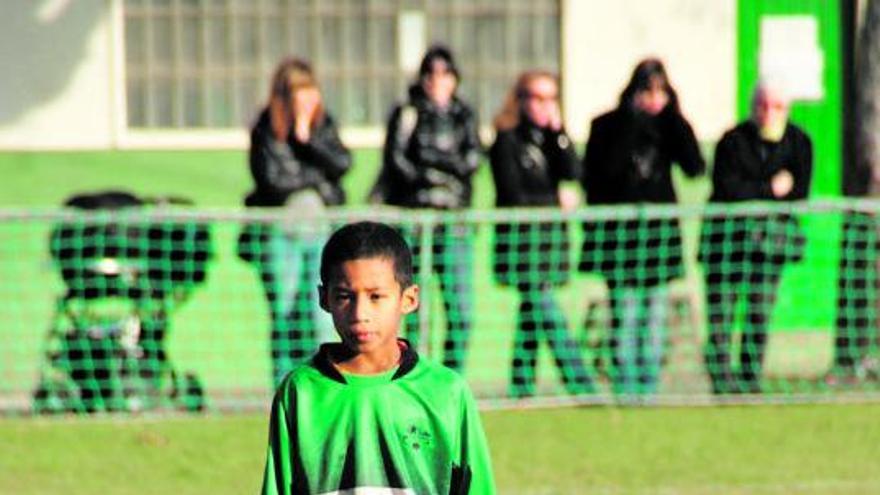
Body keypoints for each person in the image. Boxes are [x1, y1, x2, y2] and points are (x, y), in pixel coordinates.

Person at [260, 221, 496, 495]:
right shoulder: (300, 391)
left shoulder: (447, 392)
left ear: (408, 299)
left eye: (376, 297)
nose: (360, 313)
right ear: (325, 299)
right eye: (345, 296)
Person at [579, 58, 705, 397]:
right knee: (625, 318)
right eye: (646, 90)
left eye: (659, 91)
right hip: (621, 243)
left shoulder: (670, 127)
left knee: (653, 322)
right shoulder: (607, 126)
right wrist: (632, 123)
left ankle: (647, 393)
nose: (652, 98)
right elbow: (602, 172)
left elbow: (695, 166)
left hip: (658, 242)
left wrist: (672, 116)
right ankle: (626, 391)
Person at [241, 57, 352, 386]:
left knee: (320, 315)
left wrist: (308, 139)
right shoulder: (267, 129)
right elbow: (272, 178)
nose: (306, 101)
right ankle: (283, 386)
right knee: (284, 312)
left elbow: (343, 162)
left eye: (310, 92)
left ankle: (317, 383)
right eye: (298, 94)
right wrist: (314, 179)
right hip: (283, 234)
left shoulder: (322, 126)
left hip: (319, 233)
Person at [372, 44, 482, 372]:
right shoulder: (408, 113)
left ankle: (451, 377)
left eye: (445, 73)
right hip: (415, 224)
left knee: (462, 312)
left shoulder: (464, 116)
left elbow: (474, 158)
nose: (437, 81)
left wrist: (442, 165)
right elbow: (396, 159)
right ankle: (413, 374)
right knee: (414, 310)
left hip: (454, 222)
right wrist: (428, 174)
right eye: (430, 74)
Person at [700, 79, 813, 394]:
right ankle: (721, 382)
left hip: (768, 249)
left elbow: (798, 191)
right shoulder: (732, 142)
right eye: (763, 105)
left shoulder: (799, 143)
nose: (768, 112)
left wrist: (762, 193)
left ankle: (750, 381)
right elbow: (728, 188)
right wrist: (768, 190)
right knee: (721, 318)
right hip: (725, 246)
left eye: (776, 106)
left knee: (759, 314)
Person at [489, 70, 593, 398]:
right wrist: (555, 199)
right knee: (545, 307)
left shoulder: (553, 139)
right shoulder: (506, 141)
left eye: (550, 98)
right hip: (522, 245)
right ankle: (581, 384)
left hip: (550, 243)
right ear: (521, 100)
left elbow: (574, 171)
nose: (544, 105)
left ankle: (521, 388)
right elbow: (511, 192)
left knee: (532, 315)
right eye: (537, 97)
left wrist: (558, 132)